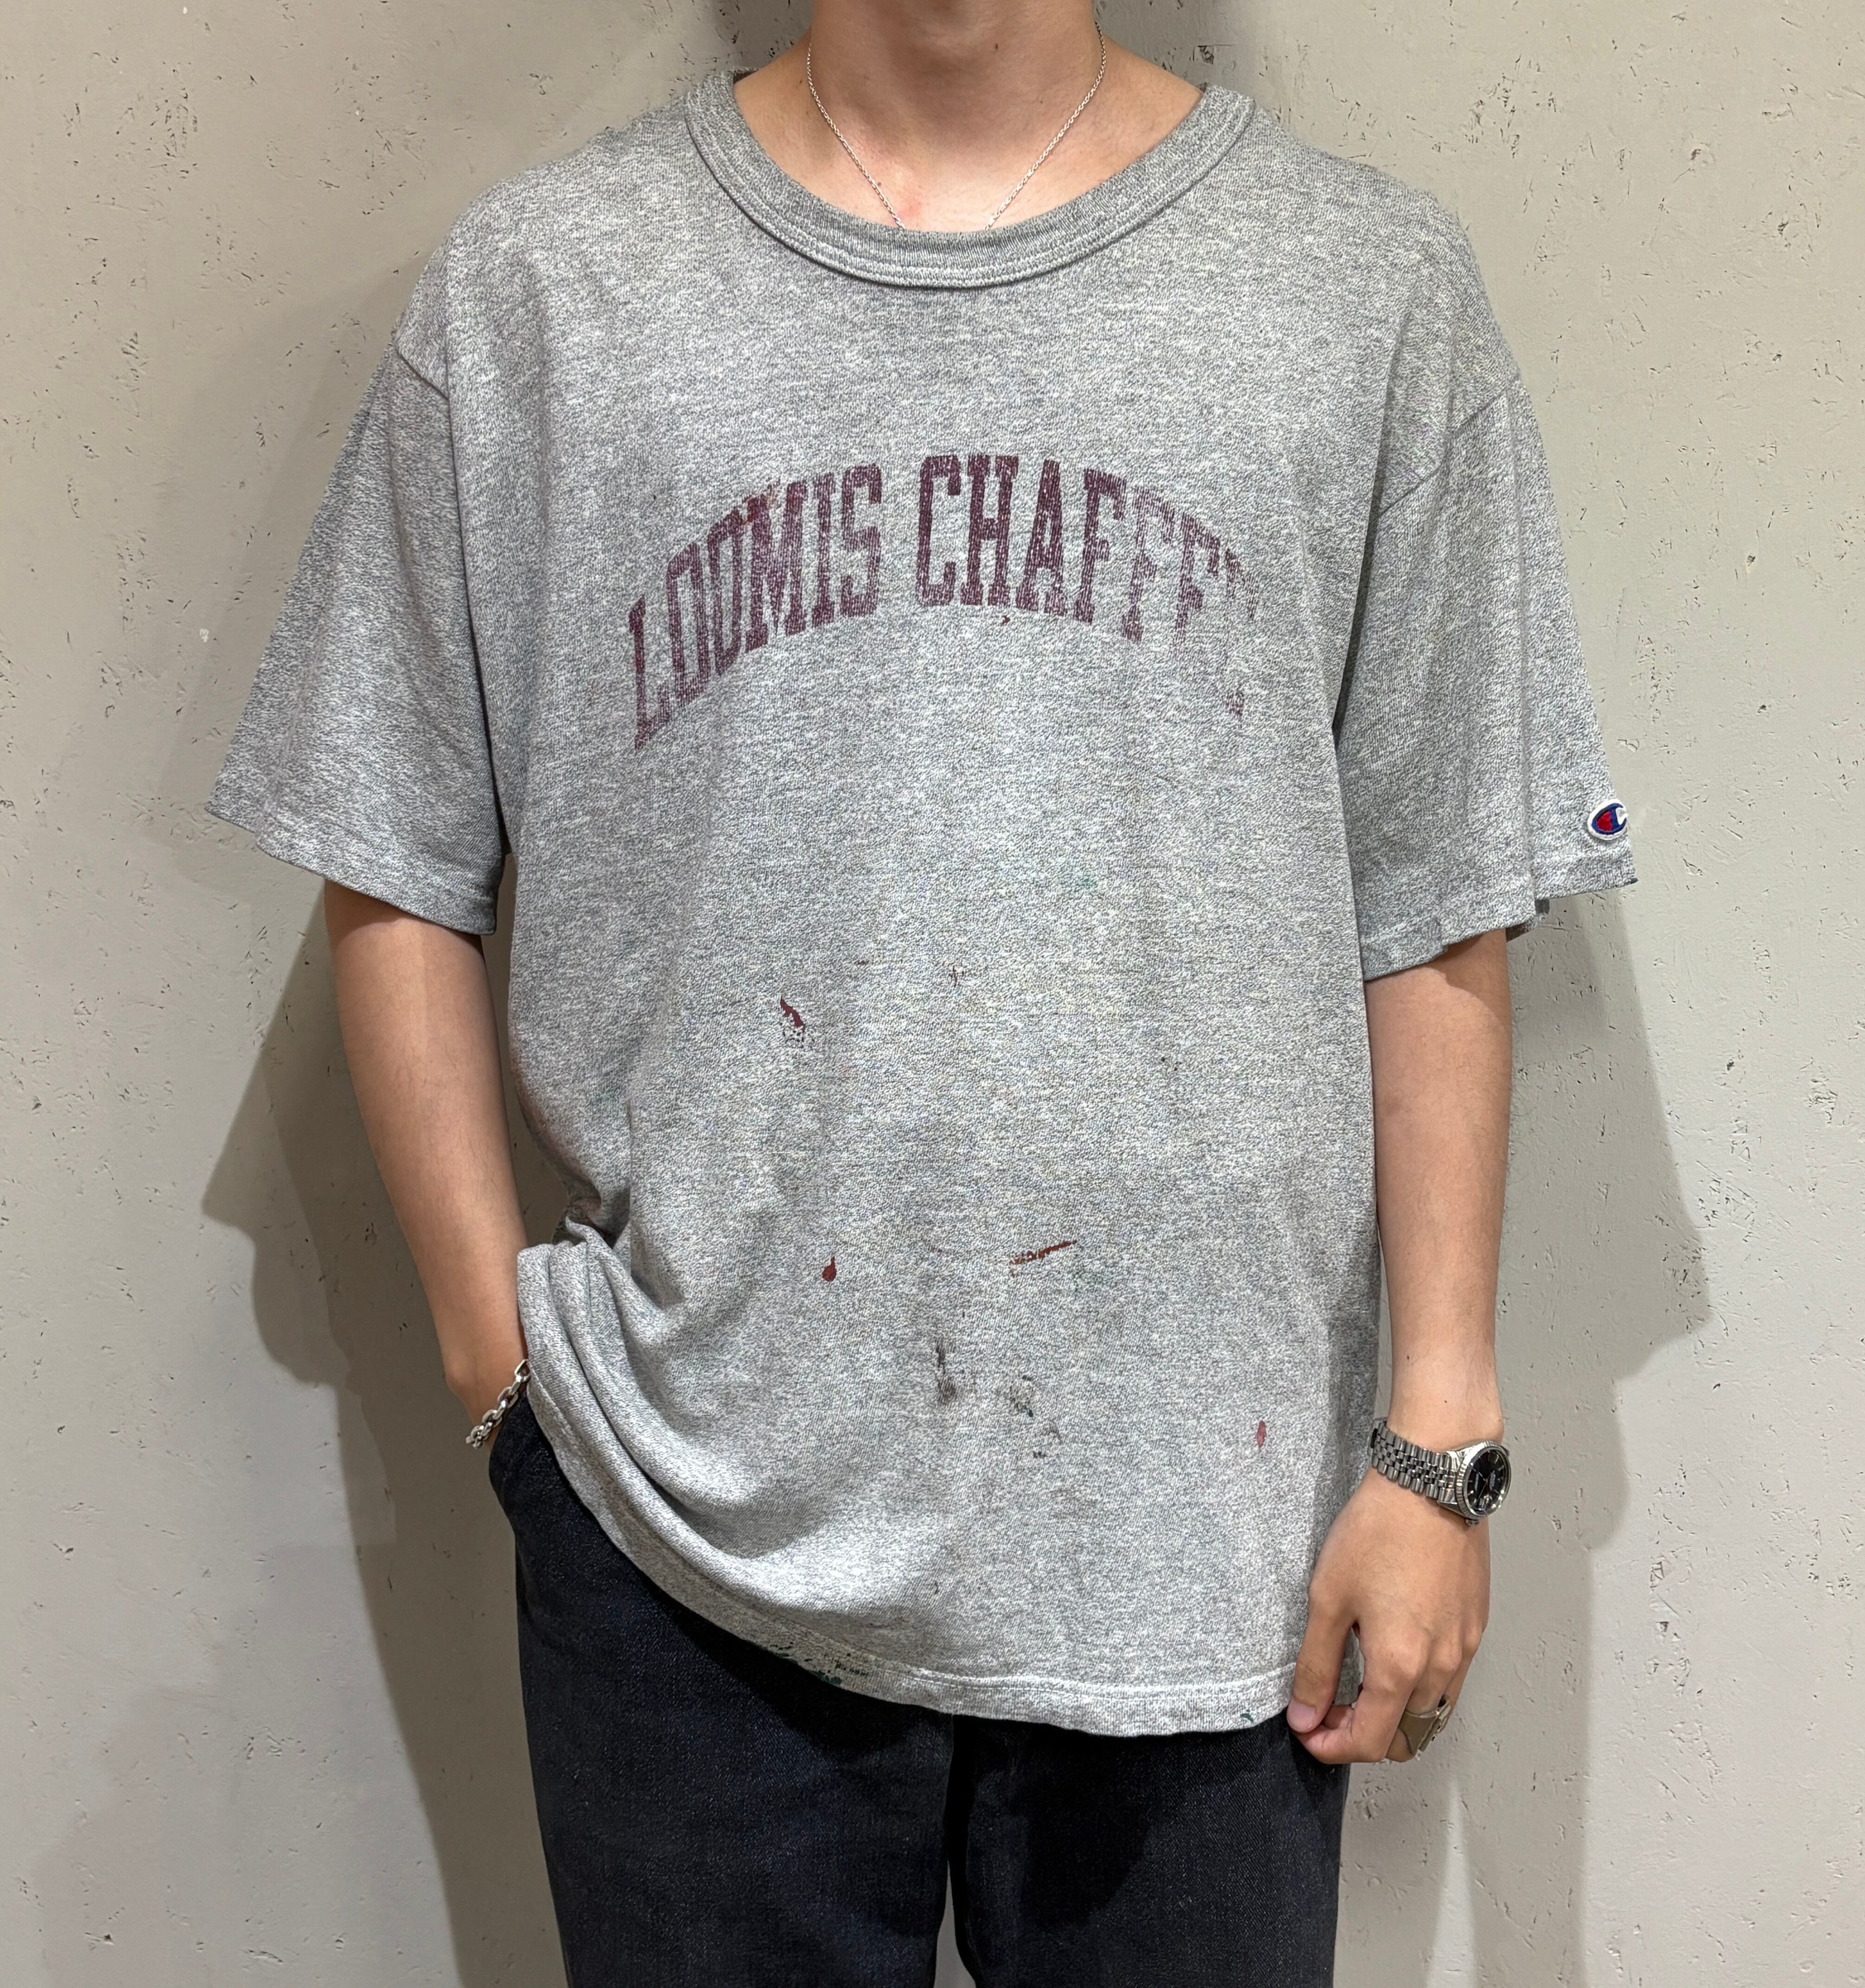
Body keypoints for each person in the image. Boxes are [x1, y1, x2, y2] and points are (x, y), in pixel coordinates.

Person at [209, 1, 1635, 1979]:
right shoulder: (547, 291)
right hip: (685, 1536)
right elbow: (392, 848)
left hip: (1205, 1548)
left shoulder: (1362, 287)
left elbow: (1439, 899)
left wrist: (1435, 1447)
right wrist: (506, 1383)